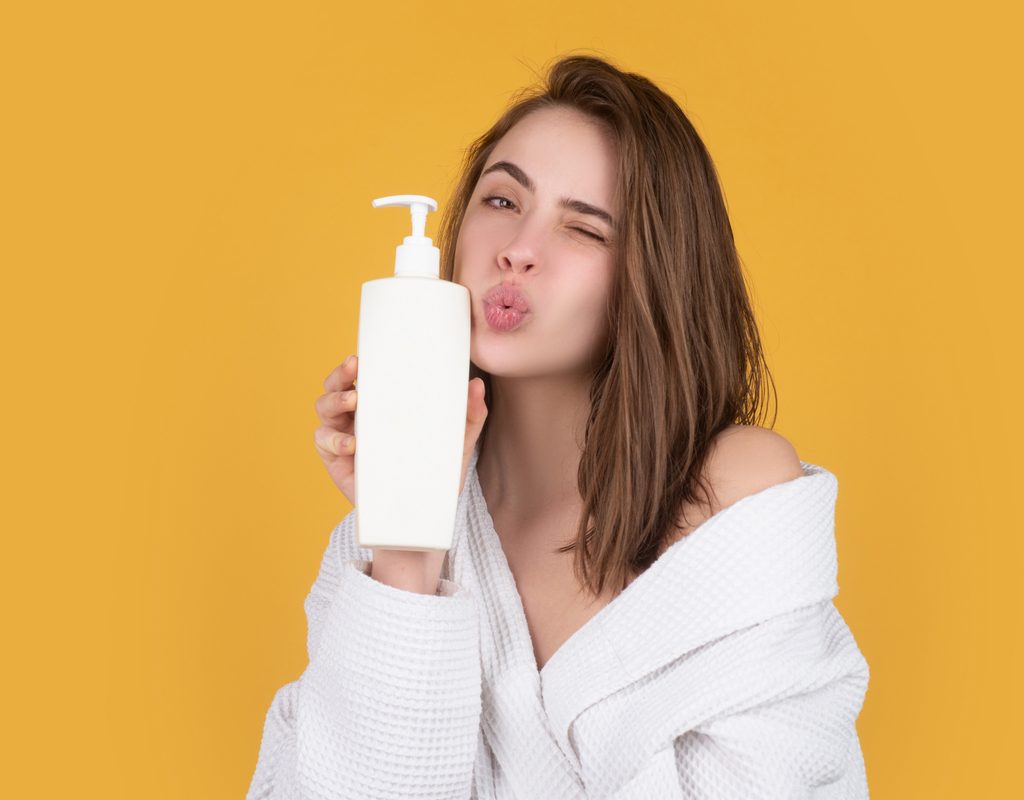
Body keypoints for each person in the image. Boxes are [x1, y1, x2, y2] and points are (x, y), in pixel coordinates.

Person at [248, 53, 871, 799]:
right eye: (504, 201)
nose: (518, 250)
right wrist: (409, 552)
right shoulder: (375, 551)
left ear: (652, 276)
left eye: (584, 229)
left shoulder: (731, 497)